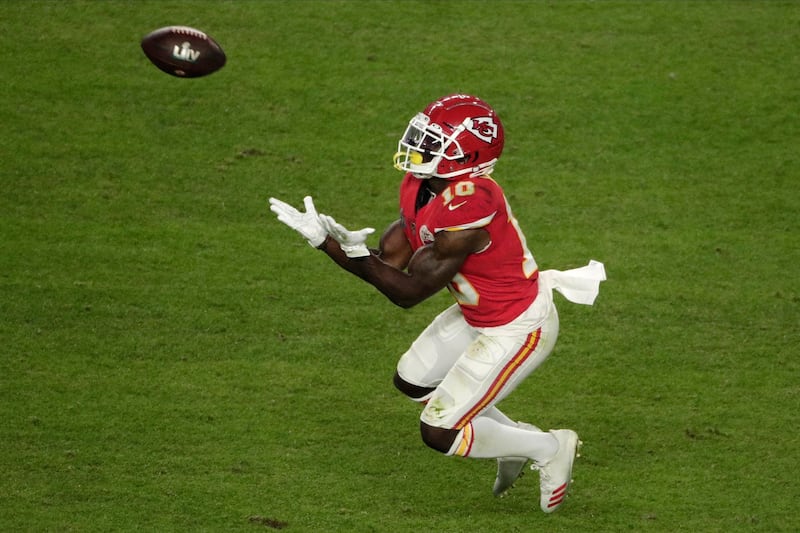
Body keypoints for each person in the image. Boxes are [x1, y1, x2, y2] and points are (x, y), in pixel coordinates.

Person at [269, 94, 605, 513]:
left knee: (439, 432)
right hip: (478, 313)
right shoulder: (422, 185)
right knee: (413, 382)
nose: (418, 145)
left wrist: (332, 248)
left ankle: (549, 447)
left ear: (467, 153)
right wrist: (353, 246)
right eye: (422, 134)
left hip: (516, 326)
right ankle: (513, 443)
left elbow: (408, 293)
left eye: (433, 140)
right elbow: (392, 258)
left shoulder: (471, 203)